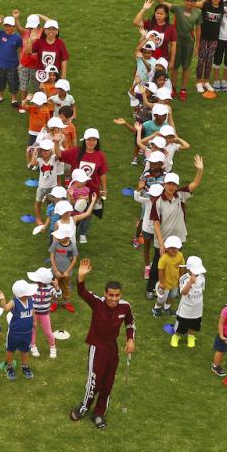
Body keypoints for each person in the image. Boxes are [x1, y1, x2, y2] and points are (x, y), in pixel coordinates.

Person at [69, 259, 135, 431]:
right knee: (94, 383)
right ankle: (84, 407)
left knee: (108, 383)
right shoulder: (97, 303)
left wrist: (130, 339)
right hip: (96, 348)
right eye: (111, 295)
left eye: (117, 295)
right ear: (105, 294)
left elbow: (130, 323)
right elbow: (82, 292)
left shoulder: (125, 307)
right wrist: (80, 277)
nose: (114, 298)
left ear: (120, 295)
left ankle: (99, 413)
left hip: (112, 350)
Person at [143, 159, 204, 297]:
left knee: (177, 262)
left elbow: (195, 184)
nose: (171, 187)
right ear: (164, 184)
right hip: (163, 240)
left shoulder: (180, 195)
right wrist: (161, 243)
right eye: (169, 184)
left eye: (174, 184)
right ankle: (150, 288)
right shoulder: (157, 201)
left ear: (177, 186)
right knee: (157, 265)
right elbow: (156, 223)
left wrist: (200, 170)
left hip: (178, 239)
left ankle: (173, 288)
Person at [0, 280, 37, 381]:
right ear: (22, 294)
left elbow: (33, 311)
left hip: (27, 332)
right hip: (14, 333)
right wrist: (2, 299)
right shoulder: (14, 302)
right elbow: (5, 308)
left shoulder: (30, 300)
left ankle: (25, 366)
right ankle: (9, 367)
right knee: (10, 350)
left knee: (25, 350)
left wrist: (35, 322)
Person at [171, 256, 206, 348]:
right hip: (185, 308)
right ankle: (176, 336)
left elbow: (202, 289)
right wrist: (190, 283)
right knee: (182, 323)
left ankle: (191, 336)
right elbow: (183, 292)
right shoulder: (184, 279)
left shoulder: (202, 278)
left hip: (197, 307)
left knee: (194, 323)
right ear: (189, 269)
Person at [0, 14, 23, 105]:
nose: (8, 28)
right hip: (0, 64)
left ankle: (14, 100)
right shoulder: (0, 33)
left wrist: (20, 63)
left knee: (13, 83)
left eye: (10, 26)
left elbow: (20, 51)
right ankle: (0, 97)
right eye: (6, 25)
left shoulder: (17, 37)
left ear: (14, 27)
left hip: (12, 66)